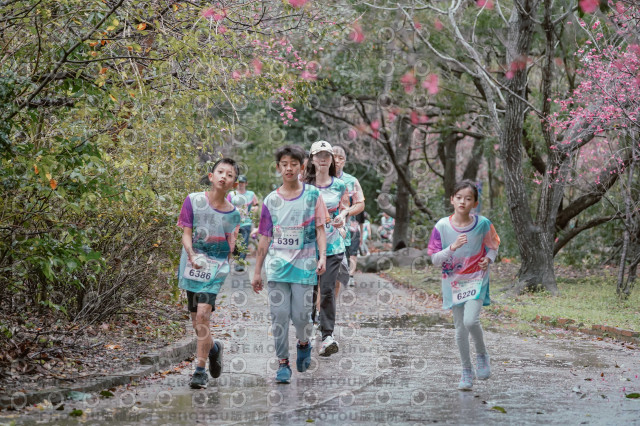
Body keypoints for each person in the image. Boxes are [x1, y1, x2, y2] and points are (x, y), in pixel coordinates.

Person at [251, 145, 329, 384]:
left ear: (302, 167)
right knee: (279, 316)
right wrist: (257, 271)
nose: (289, 168)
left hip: (304, 266)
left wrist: (323, 257)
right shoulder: (271, 200)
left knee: (302, 316)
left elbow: (320, 229)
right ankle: (283, 363)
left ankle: (304, 342)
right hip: (277, 267)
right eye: (284, 164)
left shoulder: (313, 195)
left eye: (294, 164)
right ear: (278, 168)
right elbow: (265, 236)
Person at [427, 180, 500, 390]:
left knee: (470, 321)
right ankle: (466, 370)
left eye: (468, 199)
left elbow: (493, 245)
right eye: (459, 198)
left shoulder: (483, 224)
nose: (462, 202)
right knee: (460, 329)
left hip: (477, 279)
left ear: (475, 203)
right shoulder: (441, 226)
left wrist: (489, 259)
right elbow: (435, 259)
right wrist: (452, 247)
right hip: (453, 283)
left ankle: (482, 355)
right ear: (452, 199)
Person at [177, 158, 242, 389]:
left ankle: (200, 371)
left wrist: (220, 264)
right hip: (192, 266)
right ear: (211, 176)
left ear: (234, 184)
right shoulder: (193, 200)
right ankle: (214, 348)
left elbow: (230, 246)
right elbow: (186, 233)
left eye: (230, 175)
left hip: (214, 270)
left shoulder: (233, 214)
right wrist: (192, 255)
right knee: (198, 324)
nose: (224, 177)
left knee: (204, 315)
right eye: (220, 172)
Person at [304, 141, 350, 357]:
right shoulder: (303, 184)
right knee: (309, 290)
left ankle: (327, 335)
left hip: (333, 244)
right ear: (312, 159)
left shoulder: (339, 185)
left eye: (327, 156)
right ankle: (309, 326)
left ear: (331, 160)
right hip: (307, 246)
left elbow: (344, 209)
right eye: (318, 155)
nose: (323, 159)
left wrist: (342, 218)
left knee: (328, 289)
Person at [332, 145, 365, 291]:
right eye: (334, 157)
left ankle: (330, 304)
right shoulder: (316, 179)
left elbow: (360, 204)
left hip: (342, 234)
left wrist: (346, 213)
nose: (337, 160)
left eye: (341, 158)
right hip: (319, 232)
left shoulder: (351, 181)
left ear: (345, 162)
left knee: (337, 276)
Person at [227, 175, 259, 272]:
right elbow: (226, 205)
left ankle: (240, 263)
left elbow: (256, 204)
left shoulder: (251, 194)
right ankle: (237, 258)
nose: (240, 185)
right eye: (239, 183)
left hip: (246, 223)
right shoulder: (231, 194)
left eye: (242, 183)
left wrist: (254, 209)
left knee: (244, 243)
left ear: (246, 183)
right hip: (233, 223)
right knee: (234, 244)